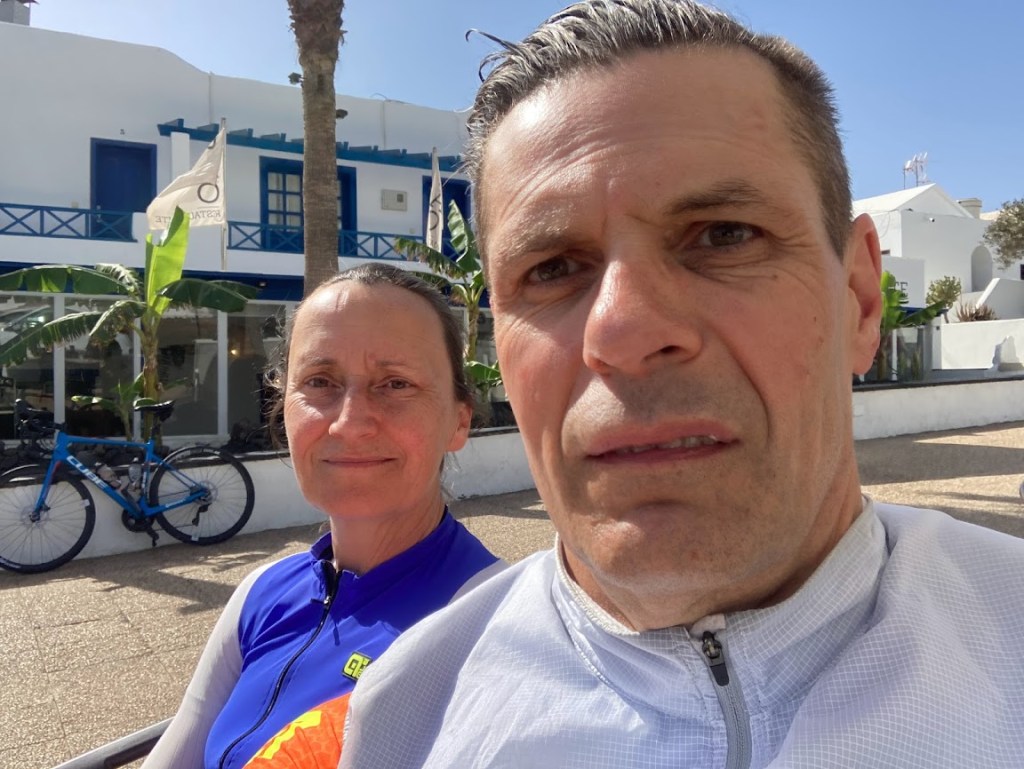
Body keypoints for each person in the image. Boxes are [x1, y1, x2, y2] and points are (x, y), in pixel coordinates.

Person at [330, 2, 1024, 767]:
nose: (624, 331)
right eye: (552, 269)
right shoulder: (410, 713)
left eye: (724, 235)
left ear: (860, 298)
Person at [142, 263, 502, 769]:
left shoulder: (495, 625)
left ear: (458, 422)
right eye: (319, 381)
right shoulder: (261, 594)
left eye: (395, 384)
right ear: (283, 407)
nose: (349, 423)